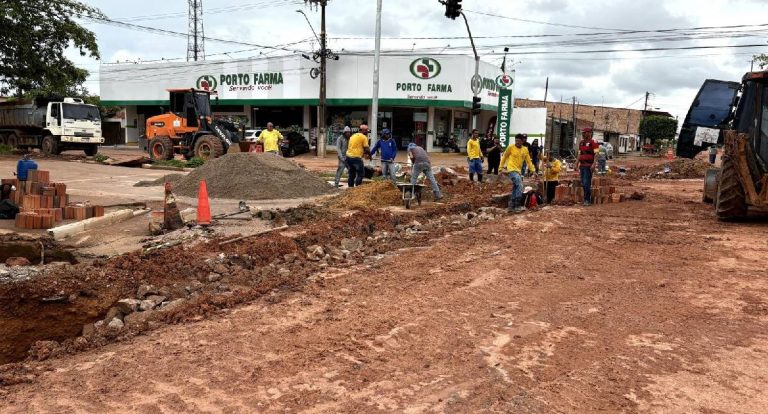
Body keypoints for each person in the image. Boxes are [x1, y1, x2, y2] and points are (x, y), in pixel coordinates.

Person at [500, 134, 536, 213]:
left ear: (523, 141)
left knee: (516, 187)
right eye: (516, 140)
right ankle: (517, 205)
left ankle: (511, 206)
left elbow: (528, 161)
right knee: (520, 185)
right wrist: (500, 168)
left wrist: (533, 170)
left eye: (519, 141)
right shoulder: (511, 147)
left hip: (518, 171)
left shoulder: (525, 149)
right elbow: (504, 157)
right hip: (511, 169)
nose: (517, 142)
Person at [576, 127, 599, 206]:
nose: (582, 134)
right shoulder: (581, 143)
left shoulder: (594, 142)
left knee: (586, 183)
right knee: (583, 182)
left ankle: (587, 200)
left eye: (584, 133)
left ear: (589, 133)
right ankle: (585, 199)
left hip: (588, 166)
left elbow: (596, 154)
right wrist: (576, 163)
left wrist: (594, 164)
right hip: (582, 165)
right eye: (582, 133)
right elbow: (579, 154)